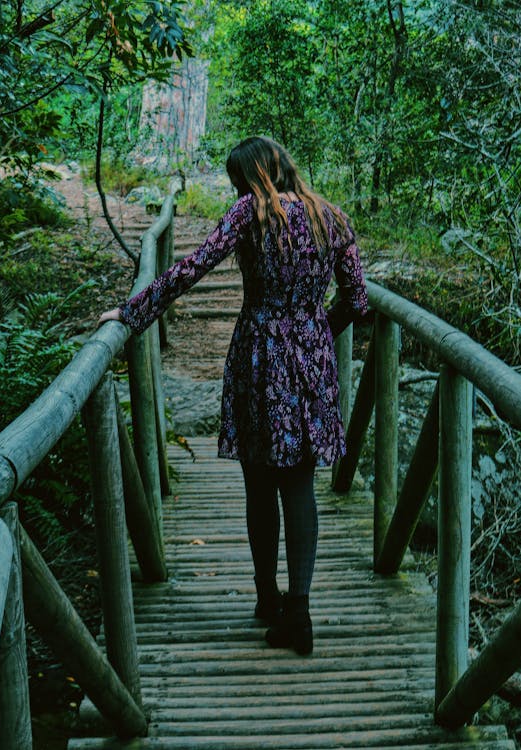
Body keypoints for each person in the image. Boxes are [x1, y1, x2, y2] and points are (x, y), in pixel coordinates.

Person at [98, 136, 369, 656]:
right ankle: (300, 611)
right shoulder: (330, 216)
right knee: (301, 484)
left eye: (236, 179)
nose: (235, 187)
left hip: (260, 361)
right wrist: (314, 332)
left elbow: (192, 267)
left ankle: (269, 598)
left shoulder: (252, 212)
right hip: (311, 366)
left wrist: (132, 313)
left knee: (259, 482)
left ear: (251, 176)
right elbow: (358, 301)